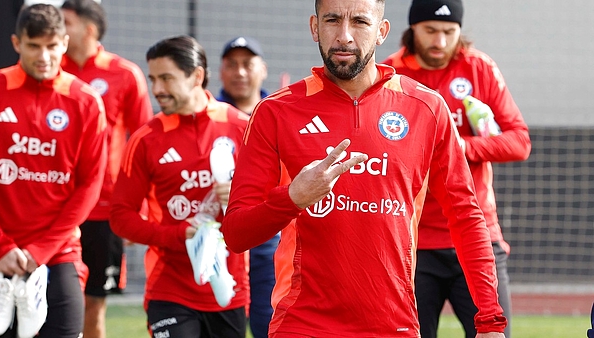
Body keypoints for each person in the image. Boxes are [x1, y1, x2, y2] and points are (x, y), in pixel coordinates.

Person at [222, 0, 508, 337]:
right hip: (302, 324)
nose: (344, 35)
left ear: (381, 31)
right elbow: (236, 234)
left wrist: (490, 320)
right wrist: (293, 198)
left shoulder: (426, 108)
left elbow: (466, 217)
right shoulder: (276, 112)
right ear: (315, 27)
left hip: (393, 324)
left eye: (359, 21)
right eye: (332, 20)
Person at [381, 0, 531, 337]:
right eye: (430, 31)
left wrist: (461, 147)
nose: (440, 41)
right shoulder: (390, 74)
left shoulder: (480, 67)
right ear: (412, 30)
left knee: (496, 333)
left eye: (449, 32)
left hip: (478, 236)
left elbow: (520, 142)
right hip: (411, 241)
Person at [109, 35, 250, 337]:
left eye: (166, 79)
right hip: (169, 290)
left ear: (197, 76)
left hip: (228, 290)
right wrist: (175, 235)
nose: (157, 89)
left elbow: (276, 201)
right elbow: (121, 216)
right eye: (153, 79)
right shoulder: (146, 139)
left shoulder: (242, 127)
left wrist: (242, 196)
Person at [0, 3, 107, 337]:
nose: (44, 56)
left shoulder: (84, 101)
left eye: (51, 46)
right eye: (34, 46)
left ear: (64, 43)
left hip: (57, 253)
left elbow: (89, 186)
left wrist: (39, 251)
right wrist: (0, 247)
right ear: (17, 43)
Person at [59, 1, 153, 337]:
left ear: (88, 29)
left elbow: (144, 144)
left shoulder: (124, 73)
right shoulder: (53, 70)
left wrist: (136, 210)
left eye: (66, 22)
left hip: (105, 208)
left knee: (94, 299)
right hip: (56, 203)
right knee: (47, 294)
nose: (59, 29)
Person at [216, 36, 277, 338]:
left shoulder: (279, 113)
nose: (240, 72)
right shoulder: (208, 116)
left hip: (268, 238)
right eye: (232, 65)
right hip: (217, 240)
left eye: (247, 64)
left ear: (262, 69)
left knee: (269, 321)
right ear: (219, 72)